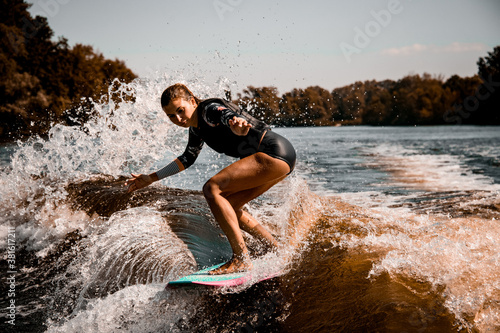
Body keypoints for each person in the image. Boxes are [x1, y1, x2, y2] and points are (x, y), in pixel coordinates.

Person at [125, 83, 296, 275]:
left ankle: (241, 258)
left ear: (192, 100)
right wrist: (151, 178)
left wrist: (237, 124)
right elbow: (186, 159)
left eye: (180, 111)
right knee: (229, 206)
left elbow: (225, 114)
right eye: (171, 116)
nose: (178, 119)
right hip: (282, 157)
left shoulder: (208, 110)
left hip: (272, 153)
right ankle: (274, 247)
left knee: (211, 189)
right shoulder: (197, 129)